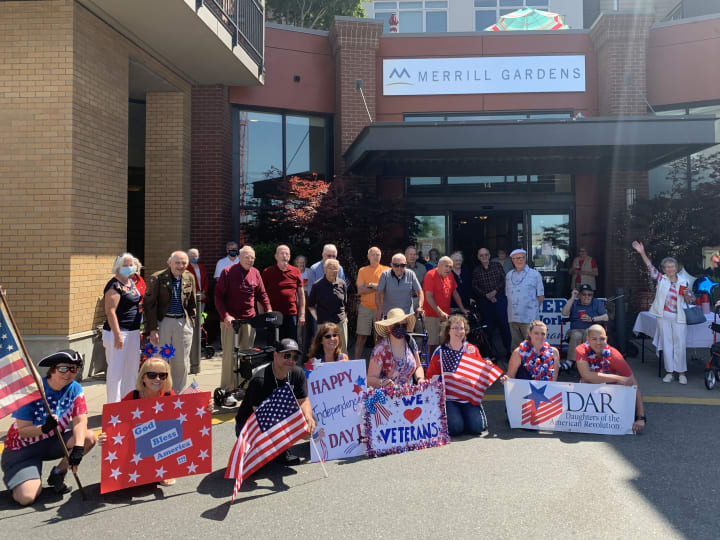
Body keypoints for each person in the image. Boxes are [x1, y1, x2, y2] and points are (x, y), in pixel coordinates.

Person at [97, 357, 214, 486]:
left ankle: (163, 470)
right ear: (143, 377)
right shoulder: (132, 397)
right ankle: (142, 469)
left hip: (159, 441)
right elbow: (117, 424)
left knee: (170, 430)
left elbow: (187, 418)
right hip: (136, 441)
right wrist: (105, 437)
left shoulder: (169, 395)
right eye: (152, 375)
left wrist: (205, 407)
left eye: (162, 375)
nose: (157, 379)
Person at [1, 350, 97, 505]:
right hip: (22, 449)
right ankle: (19, 477)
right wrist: (44, 428)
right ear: (53, 369)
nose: (68, 374)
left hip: (52, 441)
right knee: (26, 498)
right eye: (63, 369)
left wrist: (78, 449)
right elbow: (23, 432)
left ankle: (58, 473)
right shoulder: (33, 390)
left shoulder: (75, 389)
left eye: (73, 369)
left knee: (88, 437)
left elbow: (80, 421)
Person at [234, 339, 316, 464]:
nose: (291, 360)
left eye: (295, 357)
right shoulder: (259, 380)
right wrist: (296, 430)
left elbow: (304, 400)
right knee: (255, 467)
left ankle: (280, 451)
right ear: (275, 355)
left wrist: (308, 418)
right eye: (287, 355)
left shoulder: (298, 373)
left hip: (279, 418)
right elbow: (262, 418)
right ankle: (260, 452)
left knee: (312, 419)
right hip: (251, 424)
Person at [214, 245, 272, 406]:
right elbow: (218, 296)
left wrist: (268, 309)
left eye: (252, 257)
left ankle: (243, 388)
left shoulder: (255, 273)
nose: (250, 259)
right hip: (230, 322)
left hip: (249, 320)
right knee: (230, 356)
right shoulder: (228, 272)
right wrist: (225, 316)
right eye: (247, 256)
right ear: (239, 257)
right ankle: (227, 389)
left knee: (247, 357)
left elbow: (262, 294)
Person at [632, 241, 694, 384]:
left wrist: (687, 295)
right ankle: (670, 372)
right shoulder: (661, 279)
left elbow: (690, 300)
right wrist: (642, 253)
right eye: (667, 267)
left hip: (679, 316)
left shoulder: (684, 282)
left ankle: (682, 373)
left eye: (672, 266)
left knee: (680, 344)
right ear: (664, 269)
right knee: (667, 344)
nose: (670, 269)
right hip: (663, 316)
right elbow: (650, 267)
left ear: (676, 268)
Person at [426, 315, 490, 436]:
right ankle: (456, 417)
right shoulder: (440, 351)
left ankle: (469, 415)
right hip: (449, 399)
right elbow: (430, 376)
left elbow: (480, 375)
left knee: (477, 428)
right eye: (455, 328)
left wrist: (486, 367)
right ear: (448, 331)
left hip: (468, 398)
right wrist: (442, 380)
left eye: (461, 328)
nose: (459, 331)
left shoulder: (472, 349)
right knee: (455, 428)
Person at [575, 325, 646, 434]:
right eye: (594, 339)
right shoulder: (581, 349)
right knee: (584, 382)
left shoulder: (614, 355)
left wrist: (641, 417)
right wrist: (618, 378)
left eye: (602, 339)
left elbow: (633, 385)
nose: (598, 342)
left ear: (606, 339)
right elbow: (586, 375)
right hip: (590, 392)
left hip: (609, 395)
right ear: (588, 340)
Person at [144, 251, 197, 394]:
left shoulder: (189, 277)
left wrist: (191, 321)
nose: (181, 266)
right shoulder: (158, 278)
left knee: (181, 363)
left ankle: (177, 396)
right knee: (160, 361)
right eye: (177, 262)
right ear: (170, 263)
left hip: (182, 323)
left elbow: (192, 303)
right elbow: (150, 305)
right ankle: (158, 394)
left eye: (184, 263)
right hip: (163, 323)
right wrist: (153, 329)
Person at [102, 253, 142, 403]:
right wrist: (117, 335)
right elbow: (110, 311)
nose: (129, 267)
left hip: (133, 331)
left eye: (131, 264)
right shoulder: (114, 285)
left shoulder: (131, 283)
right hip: (118, 332)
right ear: (118, 267)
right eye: (125, 265)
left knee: (131, 371)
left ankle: (128, 403)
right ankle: (114, 406)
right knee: (116, 372)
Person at [368, 308, 426, 388]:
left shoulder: (411, 342)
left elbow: (418, 367)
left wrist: (420, 379)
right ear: (389, 328)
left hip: (409, 396)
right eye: (397, 325)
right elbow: (370, 379)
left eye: (404, 325)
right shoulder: (380, 350)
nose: (400, 328)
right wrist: (382, 382)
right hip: (388, 397)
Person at [472, 247, 512, 360]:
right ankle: (490, 354)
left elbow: (503, 280)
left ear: (489, 256)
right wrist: (486, 295)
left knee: (504, 327)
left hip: (499, 300)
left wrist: (494, 292)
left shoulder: (497, 266)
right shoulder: (476, 270)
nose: (484, 257)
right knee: (487, 329)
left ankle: (509, 352)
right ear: (478, 257)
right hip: (485, 302)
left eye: (486, 255)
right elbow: (475, 286)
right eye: (481, 255)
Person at [423, 256, 469, 352]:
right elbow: (428, 297)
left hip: (446, 315)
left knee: (443, 341)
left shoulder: (450, 275)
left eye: (450, 267)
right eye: (446, 266)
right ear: (439, 266)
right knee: (431, 342)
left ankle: (442, 363)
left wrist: (462, 308)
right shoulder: (430, 275)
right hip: (431, 315)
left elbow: (455, 293)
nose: (448, 269)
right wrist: (440, 313)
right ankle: (429, 365)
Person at [560, 284, 608, 371]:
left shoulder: (596, 302)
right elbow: (564, 313)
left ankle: (589, 361)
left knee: (588, 333)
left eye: (589, 294)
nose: (587, 296)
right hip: (575, 329)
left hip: (591, 330)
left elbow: (606, 317)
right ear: (579, 295)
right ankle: (570, 361)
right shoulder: (574, 303)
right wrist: (572, 297)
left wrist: (592, 319)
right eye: (584, 294)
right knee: (576, 335)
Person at [262, 245, 305, 341]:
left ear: (289, 257)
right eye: (282, 253)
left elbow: (301, 295)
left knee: (291, 345)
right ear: (276, 256)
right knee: (273, 345)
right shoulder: (267, 272)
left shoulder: (295, 271)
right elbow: (261, 295)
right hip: (273, 315)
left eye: (287, 254)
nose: (284, 256)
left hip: (291, 315)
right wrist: (263, 315)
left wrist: (302, 314)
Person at [307, 258, 348, 354]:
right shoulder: (317, 285)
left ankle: (343, 368)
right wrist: (317, 318)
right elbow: (310, 305)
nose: (334, 271)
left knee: (342, 351)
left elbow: (345, 303)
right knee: (324, 352)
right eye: (331, 268)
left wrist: (344, 318)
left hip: (340, 323)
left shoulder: (342, 283)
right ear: (325, 270)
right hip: (324, 324)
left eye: (336, 269)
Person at [505, 249, 545, 350]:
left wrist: (533, 311)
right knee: (516, 347)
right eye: (516, 258)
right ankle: (518, 366)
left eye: (522, 257)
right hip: (513, 317)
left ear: (526, 258)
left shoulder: (535, 274)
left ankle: (533, 365)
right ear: (512, 260)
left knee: (532, 345)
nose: (519, 260)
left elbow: (540, 296)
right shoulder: (509, 275)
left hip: (529, 318)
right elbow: (507, 295)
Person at [354, 247, 389, 359]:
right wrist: (378, 286)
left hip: (382, 308)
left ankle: (378, 363)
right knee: (361, 336)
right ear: (368, 256)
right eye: (373, 254)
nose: (376, 256)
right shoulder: (362, 270)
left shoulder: (387, 270)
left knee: (379, 338)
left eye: (378, 254)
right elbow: (360, 290)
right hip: (365, 308)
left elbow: (387, 289)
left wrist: (370, 285)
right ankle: (355, 363)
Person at [376, 252, 424, 317]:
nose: (399, 268)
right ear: (391, 265)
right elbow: (378, 293)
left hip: (406, 315)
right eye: (396, 265)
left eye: (402, 265)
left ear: (406, 265)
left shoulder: (411, 274)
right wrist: (379, 309)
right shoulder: (385, 275)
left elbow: (420, 292)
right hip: (389, 314)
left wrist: (420, 306)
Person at [188, 248, 208, 315]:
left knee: (203, 314)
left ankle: (201, 325)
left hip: (203, 296)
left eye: (195, 256)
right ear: (188, 257)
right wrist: (196, 292)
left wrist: (204, 292)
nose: (194, 257)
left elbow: (206, 280)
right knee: (194, 315)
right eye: (192, 256)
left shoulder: (201, 267)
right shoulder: (186, 268)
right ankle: (195, 326)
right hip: (192, 297)